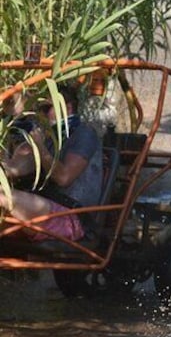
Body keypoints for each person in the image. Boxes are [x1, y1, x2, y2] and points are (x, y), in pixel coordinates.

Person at [0, 83, 102, 241]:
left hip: (71, 216)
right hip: (45, 205)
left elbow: (64, 178)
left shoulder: (83, 133)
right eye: (40, 110)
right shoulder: (49, 138)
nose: (42, 115)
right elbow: (14, 170)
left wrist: (41, 148)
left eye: (46, 109)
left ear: (66, 108)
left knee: (2, 198)